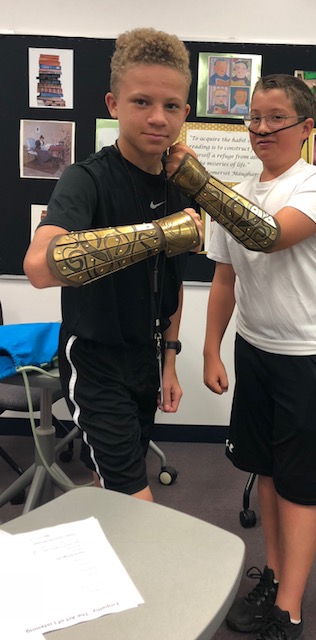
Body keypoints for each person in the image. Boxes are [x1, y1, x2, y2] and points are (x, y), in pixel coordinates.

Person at [166, 74, 316, 640]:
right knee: (266, 474)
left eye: (276, 118)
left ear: (306, 128)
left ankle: (289, 612)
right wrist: (209, 348)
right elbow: (226, 275)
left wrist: (196, 180)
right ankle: (274, 576)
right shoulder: (239, 187)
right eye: (255, 118)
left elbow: (267, 235)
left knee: (299, 484)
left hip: (310, 355)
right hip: (258, 349)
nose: (262, 129)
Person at [23, 27, 204, 503]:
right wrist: (159, 233)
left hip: (146, 360)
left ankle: (91, 560)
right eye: (141, 101)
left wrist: (169, 360)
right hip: (96, 361)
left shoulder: (178, 186)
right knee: (136, 500)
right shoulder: (86, 180)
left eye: (170, 106)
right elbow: (39, 267)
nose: (157, 118)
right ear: (113, 104)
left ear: (185, 113)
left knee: (113, 484)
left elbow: (172, 282)